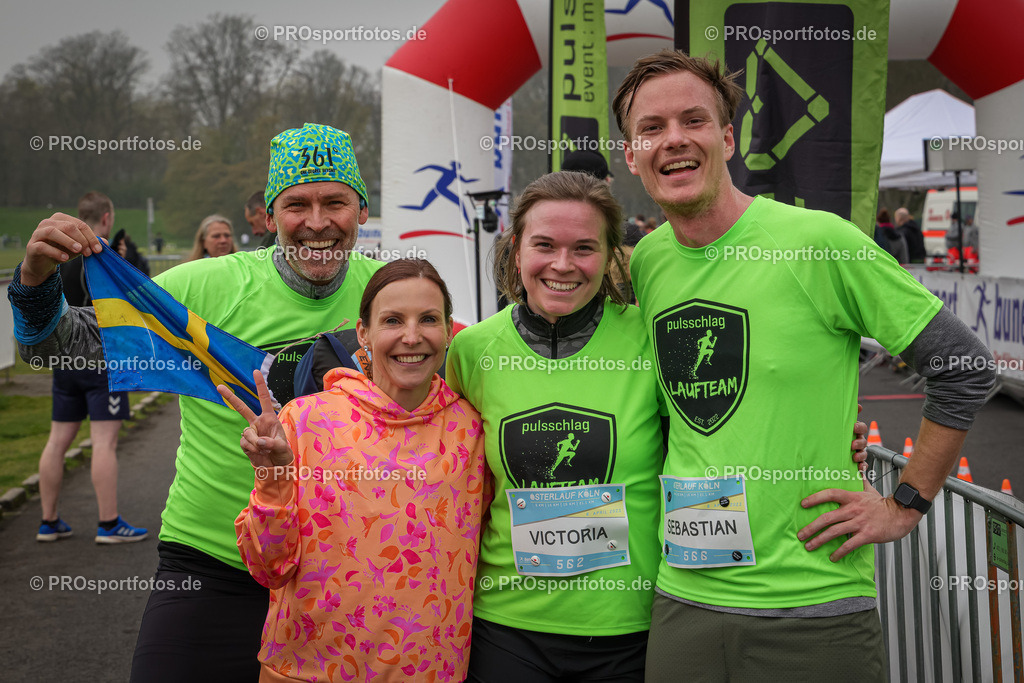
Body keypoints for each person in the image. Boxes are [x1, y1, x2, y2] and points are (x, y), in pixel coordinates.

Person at [613, 49, 995, 680]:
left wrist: (904, 504)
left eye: (694, 120)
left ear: (728, 138)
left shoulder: (819, 241)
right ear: (631, 154)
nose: (673, 140)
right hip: (685, 598)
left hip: (813, 606)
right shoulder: (648, 262)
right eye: (650, 128)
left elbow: (963, 365)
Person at [8, 122, 384, 682]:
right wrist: (35, 279)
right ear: (270, 215)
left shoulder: (395, 291)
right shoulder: (205, 286)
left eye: (336, 201)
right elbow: (54, 346)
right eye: (296, 203)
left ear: (362, 208)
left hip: (346, 568)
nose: (317, 222)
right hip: (212, 562)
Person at [447, 171, 666, 681]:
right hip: (507, 627)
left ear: (611, 255)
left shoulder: (649, 338)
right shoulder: (472, 350)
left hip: (628, 628)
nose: (562, 265)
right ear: (516, 250)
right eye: (543, 245)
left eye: (584, 248)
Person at [222, 259, 486, 682]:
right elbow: (268, 568)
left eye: (429, 319)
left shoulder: (471, 429)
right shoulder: (304, 421)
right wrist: (272, 480)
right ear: (363, 332)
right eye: (393, 320)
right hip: (306, 672)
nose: (412, 336)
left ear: (449, 330)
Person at [36, 190, 146, 544]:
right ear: (108, 218)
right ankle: (108, 523)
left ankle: (48, 521)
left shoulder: (60, 253)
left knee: (57, 441)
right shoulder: (102, 252)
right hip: (101, 359)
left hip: (64, 357)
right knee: (104, 442)